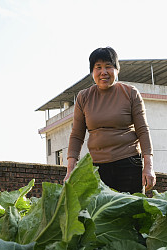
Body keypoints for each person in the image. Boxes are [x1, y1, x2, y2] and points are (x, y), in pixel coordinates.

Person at [64, 47, 156, 194]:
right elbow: (76, 136)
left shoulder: (130, 93)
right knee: (100, 214)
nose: (103, 72)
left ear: (117, 69)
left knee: (132, 214)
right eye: (98, 67)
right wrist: (70, 170)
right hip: (97, 168)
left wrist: (148, 166)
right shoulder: (84, 97)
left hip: (129, 164)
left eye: (108, 66)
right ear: (92, 72)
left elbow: (143, 130)